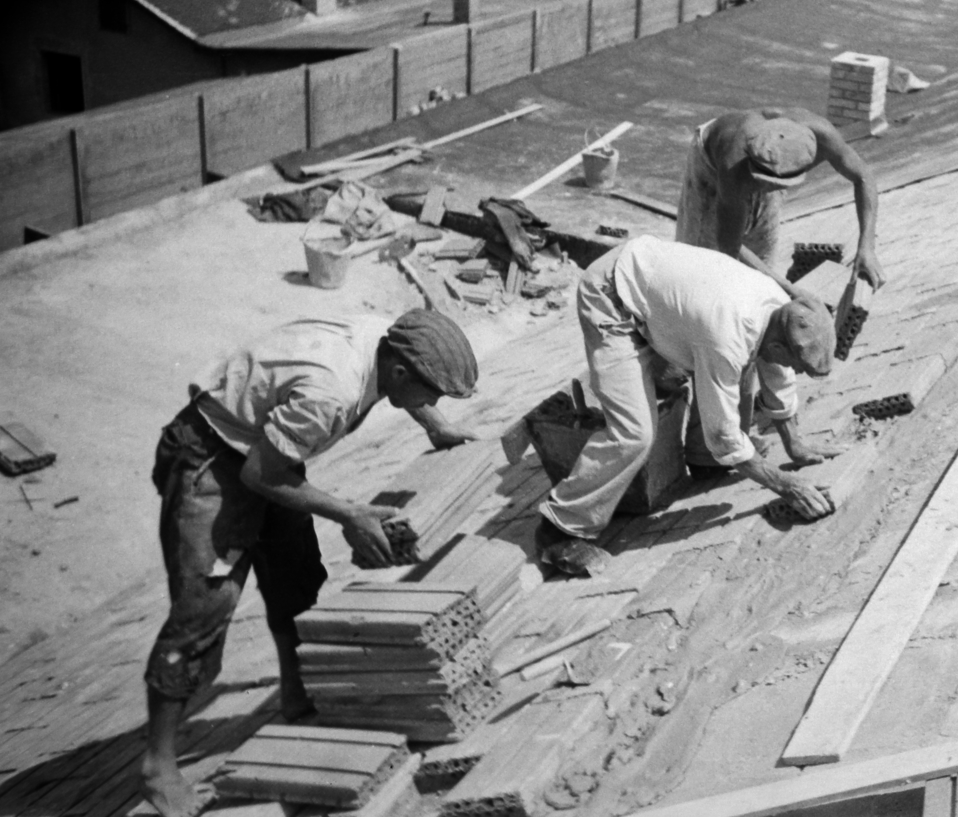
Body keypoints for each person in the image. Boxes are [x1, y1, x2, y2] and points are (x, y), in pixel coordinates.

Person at [141, 311, 479, 817]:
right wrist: (349, 514)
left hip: (261, 447)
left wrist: (437, 425)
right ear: (401, 374)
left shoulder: (386, 342)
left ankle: (297, 699)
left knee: (297, 575)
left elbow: (409, 378)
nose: (433, 403)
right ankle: (158, 766)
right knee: (203, 609)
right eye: (433, 395)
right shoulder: (332, 391)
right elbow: (258, 474)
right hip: (211, 454)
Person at [535, 236, 838, 575]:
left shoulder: (779, 309)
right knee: (634, 433)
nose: (795, 370)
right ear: (782, 346)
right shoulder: (728, 335)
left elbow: (777, 371)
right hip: (611, 297)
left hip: (653, 287)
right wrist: (785, 484)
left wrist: (794, 444)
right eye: (798, 364)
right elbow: (723, 434)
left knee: (738, 372)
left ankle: (703, 460)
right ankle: (560, 527)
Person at [676, 109, 886, 291]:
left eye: (773, 184)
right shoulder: (733, 164)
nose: (765, 189)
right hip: (710, 168)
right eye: (760, 180)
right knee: (702, 266)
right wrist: (789, 290)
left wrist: (866, 247)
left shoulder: (822, 136)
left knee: (762, 257)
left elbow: (863, 177)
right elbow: (729, 246)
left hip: (767, 163)